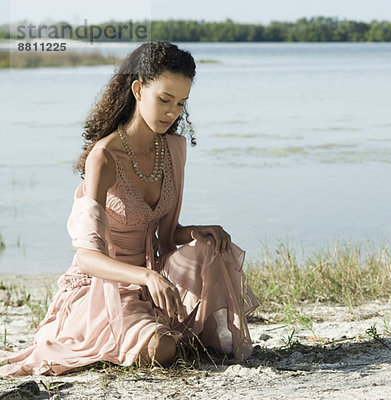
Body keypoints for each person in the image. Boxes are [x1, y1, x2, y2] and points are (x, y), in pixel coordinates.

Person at [0, 41, 259, 376]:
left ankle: (178, 330)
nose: (173, 112)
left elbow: (165, 235)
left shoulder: (173, 149)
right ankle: (161, 335)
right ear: (138, 90)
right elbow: (89, 258)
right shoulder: (105, 157)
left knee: (211, 247)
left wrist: (194, 232)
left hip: (153, 278)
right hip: (103, 287)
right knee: (160, 348)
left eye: (181, 103)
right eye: (164, 99)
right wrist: (146, 276)